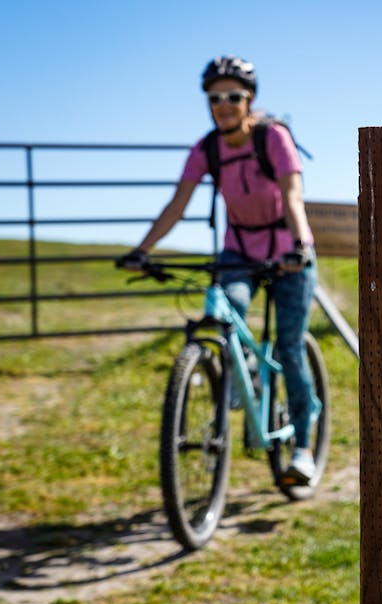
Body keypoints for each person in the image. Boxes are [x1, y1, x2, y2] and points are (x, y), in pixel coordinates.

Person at [117, 55, 318, 484]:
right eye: (214, 98)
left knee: (288, 347)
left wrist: (300, 245)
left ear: (249, 101)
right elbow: (177, 204)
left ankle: (301, 447)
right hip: (239, 250)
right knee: (228, 309)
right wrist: (142, 249)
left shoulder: (273, 138)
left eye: (233, 96)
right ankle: (241, 374)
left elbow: (294, 195)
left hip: (288, 250)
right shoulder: (206, 148)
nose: (223, 105)